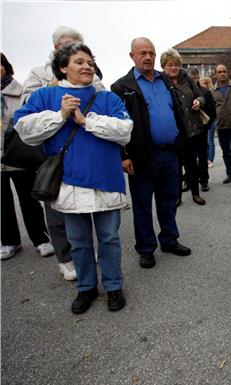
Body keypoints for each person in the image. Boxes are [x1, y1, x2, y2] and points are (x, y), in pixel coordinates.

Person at [14, 43, 133, 313]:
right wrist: (60, 115)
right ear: (63, 67)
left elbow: (125, 130)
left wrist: (85, 121)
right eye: (79, 62)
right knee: (78, 242)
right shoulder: (45, 96)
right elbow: (24, 128)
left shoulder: (107, 98)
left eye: (90, 62)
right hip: (68, 184)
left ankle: (114, 286)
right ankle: (87, 288)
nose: (87, 66)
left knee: (110, 240)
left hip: (106, 181)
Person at [21, 26, 105, 281]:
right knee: (57, 206)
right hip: (57, 150)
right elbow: (27, 106)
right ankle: (66, 257)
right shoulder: (39, 74)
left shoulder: (91, 72)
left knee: (87, 204)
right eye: (70, 47)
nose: (77, 54)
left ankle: (86, 252)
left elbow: (102, 99)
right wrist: (56, 86)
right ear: (57, 48)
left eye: (80, 47)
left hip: (87, 146)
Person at [111, 37, 192, 270]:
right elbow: (116, 124)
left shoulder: (165, 80)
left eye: (151, 53)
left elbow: (176, 112)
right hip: (141, 156)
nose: (148, 57)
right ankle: (146, 249)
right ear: (132, 56)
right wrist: (123, 155)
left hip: (170, 154)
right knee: (143, 205)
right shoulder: (122, 87)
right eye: (143, 53)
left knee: (168, 201)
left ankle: (169, 240)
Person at [1, 53, 55, 262]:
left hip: (18, 153)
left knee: (28, 198)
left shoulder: (20, 91)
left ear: (6, 66)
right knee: (2, 202)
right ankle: (9, 241)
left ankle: (40, 238)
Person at [161, 49, 207, 206]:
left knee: (191, 164)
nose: (173, 68)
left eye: (176, 65)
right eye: (170, 65)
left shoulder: (187, 78)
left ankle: (195, 193)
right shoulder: (161, 82)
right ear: (164, 66)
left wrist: (199, 101)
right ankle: (177, 196)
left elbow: (201, 95)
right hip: (173, 131)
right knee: (176, 166)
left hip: (191, 128)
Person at [199, 75, 217, 175]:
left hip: (210, 120)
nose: (202, 85)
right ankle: (207, 157)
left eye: (204, 83)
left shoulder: (210, 93)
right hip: (203, 120)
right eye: (201, 83)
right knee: (206, 140)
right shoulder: (199, 92)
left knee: (210, 140)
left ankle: (210, 159)